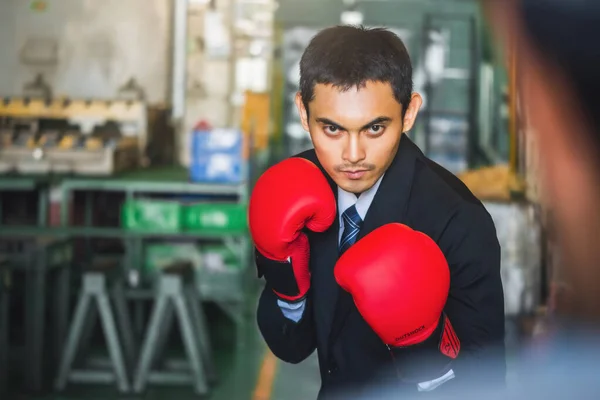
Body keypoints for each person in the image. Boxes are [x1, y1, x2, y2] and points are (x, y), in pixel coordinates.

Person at [248, 25, 506, 399]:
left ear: (409, 113)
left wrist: (426, 350)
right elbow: (290, 347)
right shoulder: (296, 190)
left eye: (375, 128)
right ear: (304, 113)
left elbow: (485, 386)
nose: (353, 155)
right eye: (332, 128)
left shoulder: (458, 220)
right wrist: (288, 287)